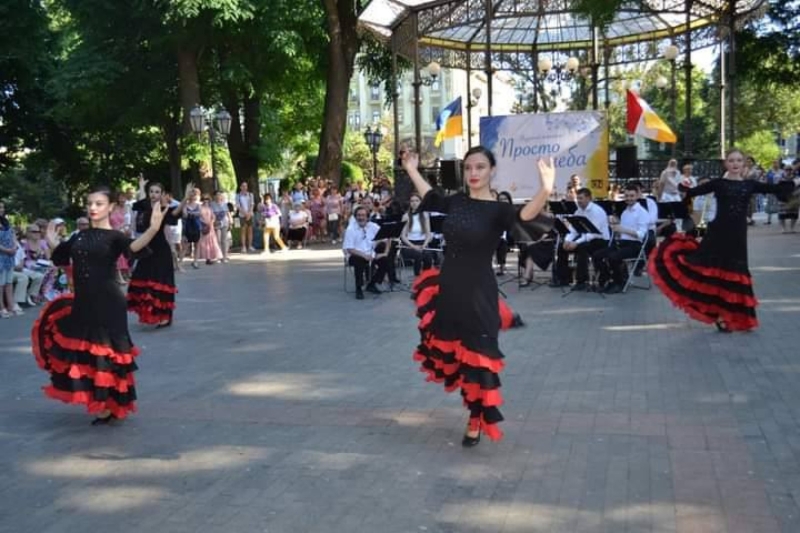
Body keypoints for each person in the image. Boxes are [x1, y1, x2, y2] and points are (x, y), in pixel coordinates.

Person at [401, 146, 555, 446]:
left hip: (479, 292)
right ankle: (471, 405)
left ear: (491, 170)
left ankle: (476, 418)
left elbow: (524, 215)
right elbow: (431, 197)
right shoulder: (456, 201)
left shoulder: (498, 209)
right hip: (449, 289)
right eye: (469, 167)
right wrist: (411, 169)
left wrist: (545, 189)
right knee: (456, 355)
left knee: (480, 358)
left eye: (480, 167)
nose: (473, 173)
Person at [32, 187, 165, 424]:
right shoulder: (79, 236)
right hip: (84, 301)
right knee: (88, 351)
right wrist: (52, 242)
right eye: (90, 203)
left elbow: (134, 248)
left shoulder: (114, 237)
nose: (93, 208)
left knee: (109, 352)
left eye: (99, 203)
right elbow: (62, 257)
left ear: (111, 207)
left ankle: (111, 404)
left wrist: (154, 228)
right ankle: (102, 402)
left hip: (108, 301)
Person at [648, 148, 793, 332]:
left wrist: (790, 183)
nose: (735, 164)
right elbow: (692, 192)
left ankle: (735, 316)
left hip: (738, 235)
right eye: (731, 160)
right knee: (714, 271)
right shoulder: (718, 184)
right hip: (718, 232)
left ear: (744, 163)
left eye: (739, 161)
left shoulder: (750, 184)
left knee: (735, 270)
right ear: (726, 164)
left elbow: (776, 189)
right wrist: (679, 185)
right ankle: (720, 315)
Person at [127, 182, 191, 328]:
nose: (154, 194)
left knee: (161, 283)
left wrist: (186, 198)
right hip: (146, 249)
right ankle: (149, 312)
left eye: (157, 192)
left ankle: (165, 316)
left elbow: (176, 213)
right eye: (151, 191)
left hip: (161, 250)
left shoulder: (164, 208)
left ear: (162, 194)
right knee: (142, 280)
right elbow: (141, 200)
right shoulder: (144, 206)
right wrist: (141, 186)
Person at [342, 205, 390, 300]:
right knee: (358, 261)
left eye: (363, 215)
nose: (361, 217)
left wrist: (385, 253)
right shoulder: (351, 229)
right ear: (355, 217)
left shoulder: (373, 226)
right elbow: (349, 249)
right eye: (359, 215)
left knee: (385, 261)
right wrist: (365, 256)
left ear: (367, 217)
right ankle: (358, 288)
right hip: (355, 254)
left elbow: (388, 237)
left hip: (370, 254)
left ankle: (371, 284)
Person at [400, 193, 434, 277]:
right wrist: (414, 247)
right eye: (412, 201)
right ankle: (417, 276)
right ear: (410, 203)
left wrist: (424, 245)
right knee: (418, 255)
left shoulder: (425, 215)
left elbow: (428, 234)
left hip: (422, 243)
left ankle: (425, 277)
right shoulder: (406, 216)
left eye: (417, 201)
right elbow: (403, 236)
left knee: (428, 256)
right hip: (409, 244)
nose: (414, 203)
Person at [236, 182, 255, 253]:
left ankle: (250, 246)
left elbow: (252, 204)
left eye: (246, 186)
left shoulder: (250, 195)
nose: (244, 187)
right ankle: (243, 246)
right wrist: (245, 213)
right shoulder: (238, 195)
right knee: (243, 230)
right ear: (240, 187)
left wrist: (249, 213)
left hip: (250, 214)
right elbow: (238, 206)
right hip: (242, 215)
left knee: (250, 230)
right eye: (243, 186)